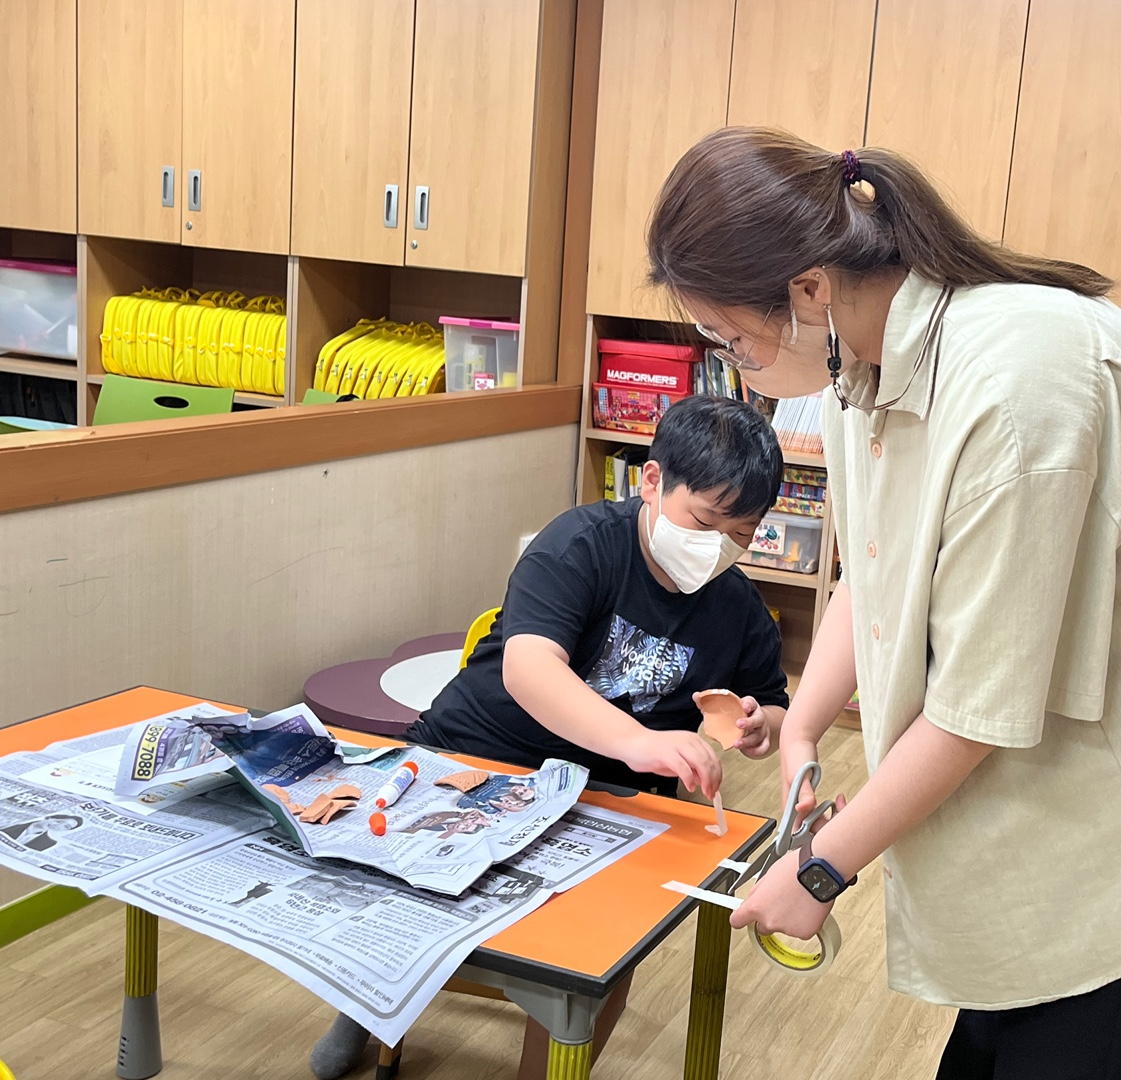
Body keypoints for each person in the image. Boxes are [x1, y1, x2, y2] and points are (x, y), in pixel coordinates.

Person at [645, 127, 1121, 1080]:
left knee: (1082, 1009)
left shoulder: (1017, 384)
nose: (730, 365)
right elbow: (877, 566)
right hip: (1046, 769)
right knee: (1000, 1021)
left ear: (807, 289)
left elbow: (978, 709)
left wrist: (823, 867)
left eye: (729, 339)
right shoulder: (853, 371)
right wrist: (803, 734)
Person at [310, 393, 790, 1080]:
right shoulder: (581, 544)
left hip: (614, 795)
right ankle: (362, 1007)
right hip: (480, 752)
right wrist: (640, 741)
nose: (720, 548)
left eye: (742, 534)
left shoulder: (739, 610)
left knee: (599, 955)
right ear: (651, 482)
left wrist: (756, 725)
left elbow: (775, 710)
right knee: (400, 891)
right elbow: (531, 670)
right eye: (707, 521)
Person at [0, 814, 83, 852]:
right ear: (50, 817)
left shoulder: (48, 843)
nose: (58, 826)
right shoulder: (14, 822)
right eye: (59, 821)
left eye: (66, 827)